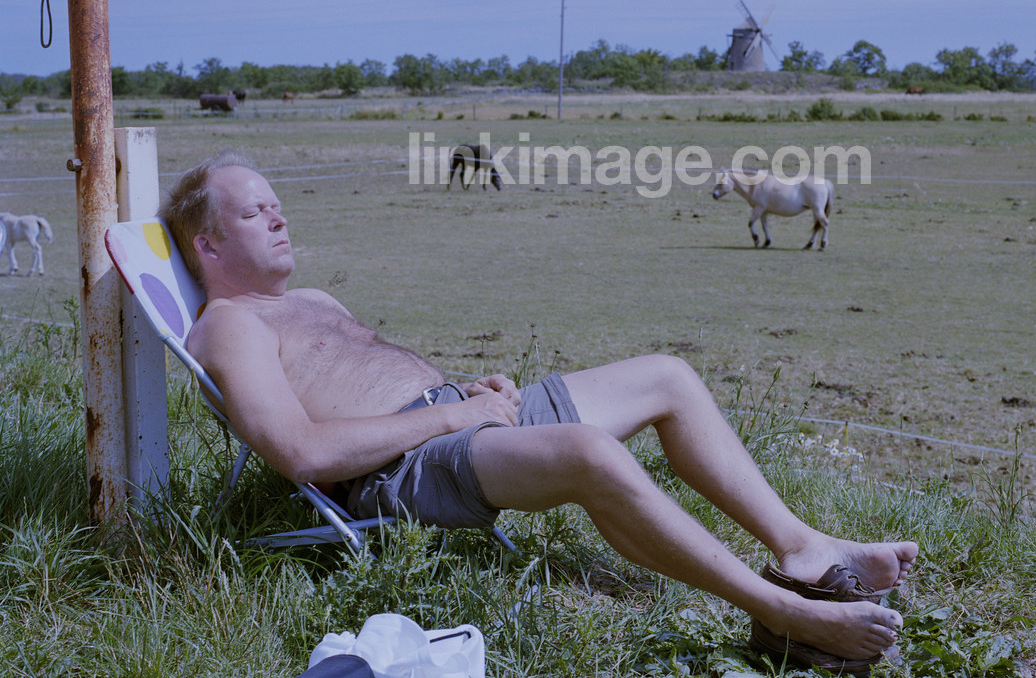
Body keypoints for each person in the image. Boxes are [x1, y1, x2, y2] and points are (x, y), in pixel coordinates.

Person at [163, 151, 918, 672]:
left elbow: (370, 383)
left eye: (278, 206)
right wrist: (450, 419)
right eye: (255, 212)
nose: (279, 218)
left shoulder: (309, 299)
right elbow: (301, 452)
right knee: (589, 453)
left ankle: (802, 548)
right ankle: (779, 613)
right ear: (209, 244)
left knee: (667, 376)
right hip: (400, 471)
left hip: (456, 422)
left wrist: (469, 393)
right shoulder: (229, 327)